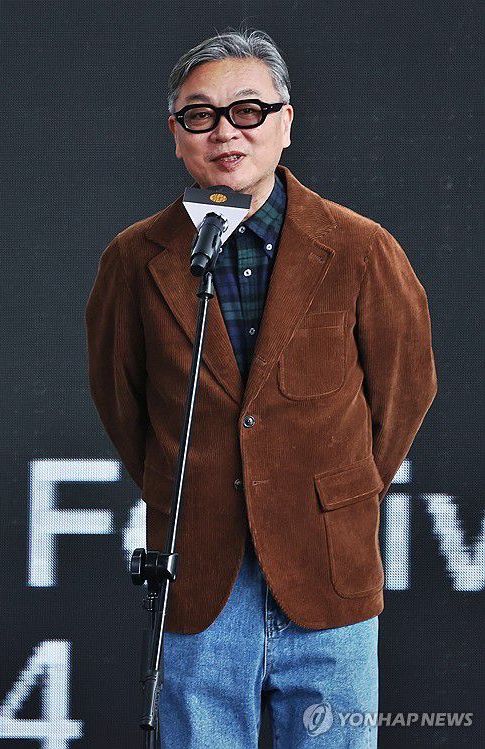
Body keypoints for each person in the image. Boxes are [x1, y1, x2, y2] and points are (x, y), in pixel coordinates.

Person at [85, 27, 438, 748]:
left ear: (285, 123)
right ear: (175, 133)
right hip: (198, 571)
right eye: (200, 114)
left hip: (328, 568)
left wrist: (335, 492)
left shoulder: (360, 247)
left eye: (247, 110)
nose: (225, 132)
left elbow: (405, 389)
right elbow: (122, 402)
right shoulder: (134, 258)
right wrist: (193, 483)